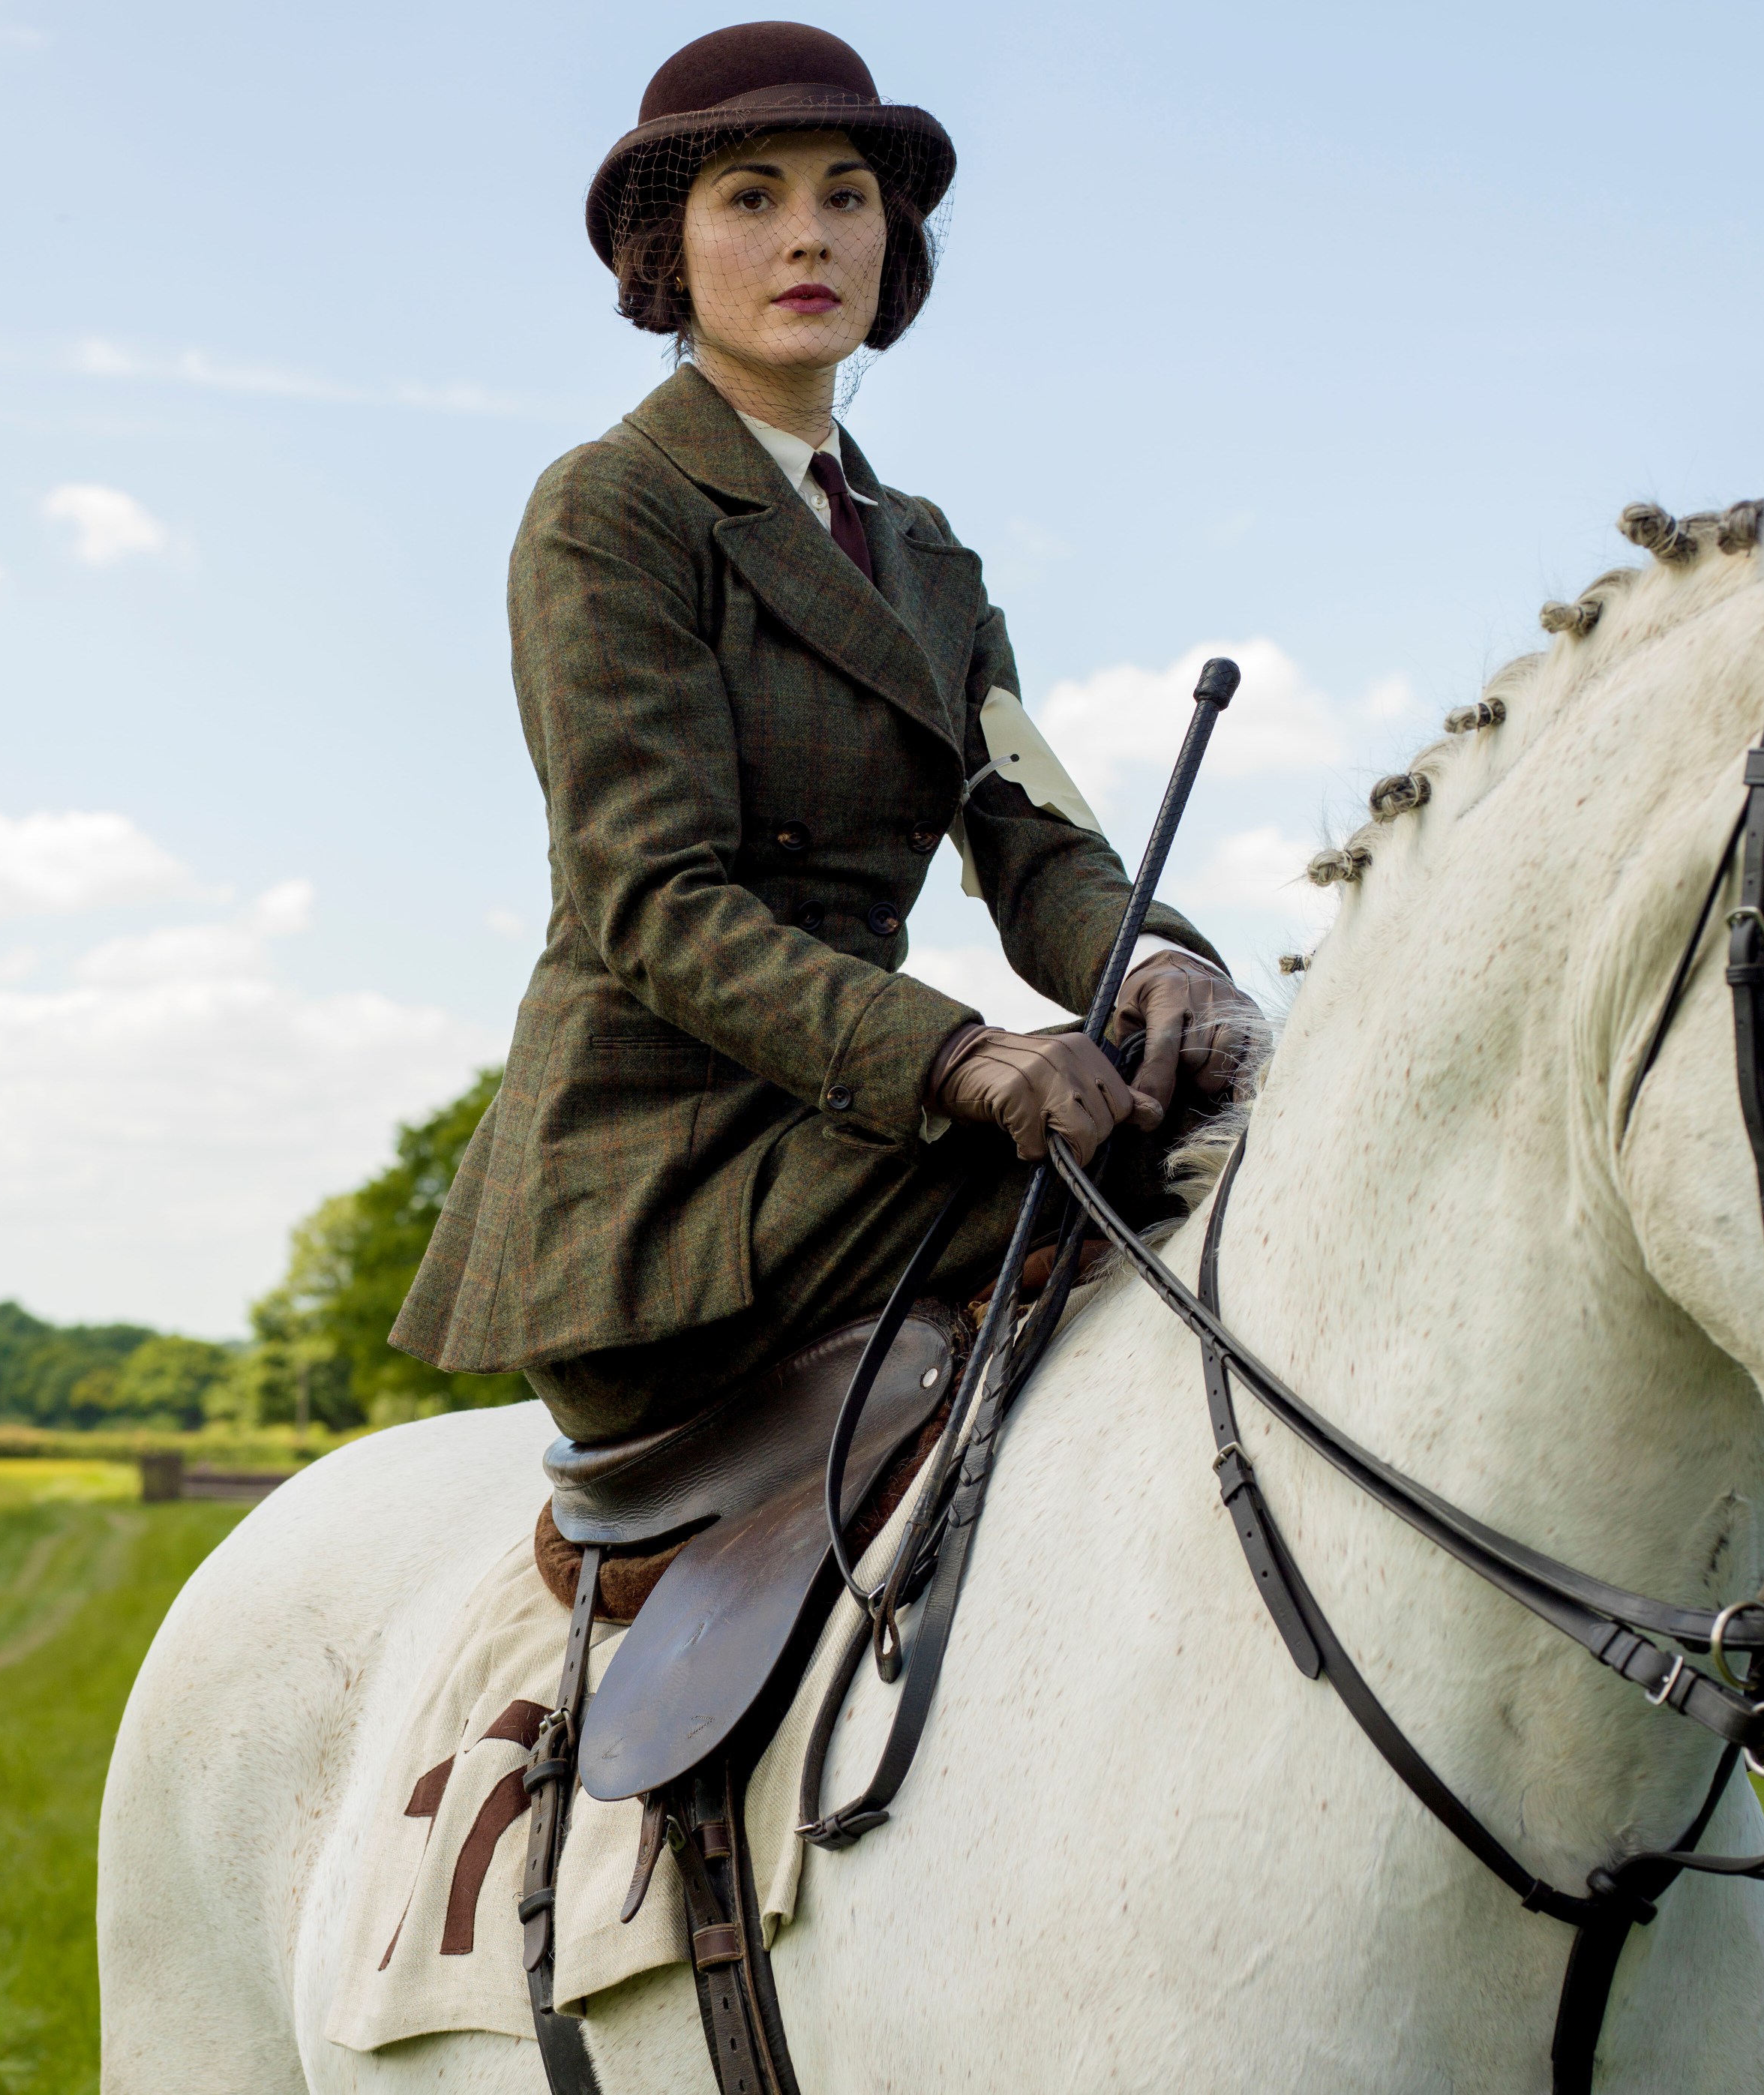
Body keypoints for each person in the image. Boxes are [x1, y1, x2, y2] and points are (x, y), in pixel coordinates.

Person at [393, 21, 1258, 1445]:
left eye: (846, 195)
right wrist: (961, 1056)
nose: (810, 233)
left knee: (1211, 1097)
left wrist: (1165, 970)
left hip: (855, 1128)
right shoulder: (609, 506)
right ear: (669, 253)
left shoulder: (930, 560)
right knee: (1158, 1160)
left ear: (889, 243)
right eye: (752, 196)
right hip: (663, 1181)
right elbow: (651, 901)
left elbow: (1036, 850)